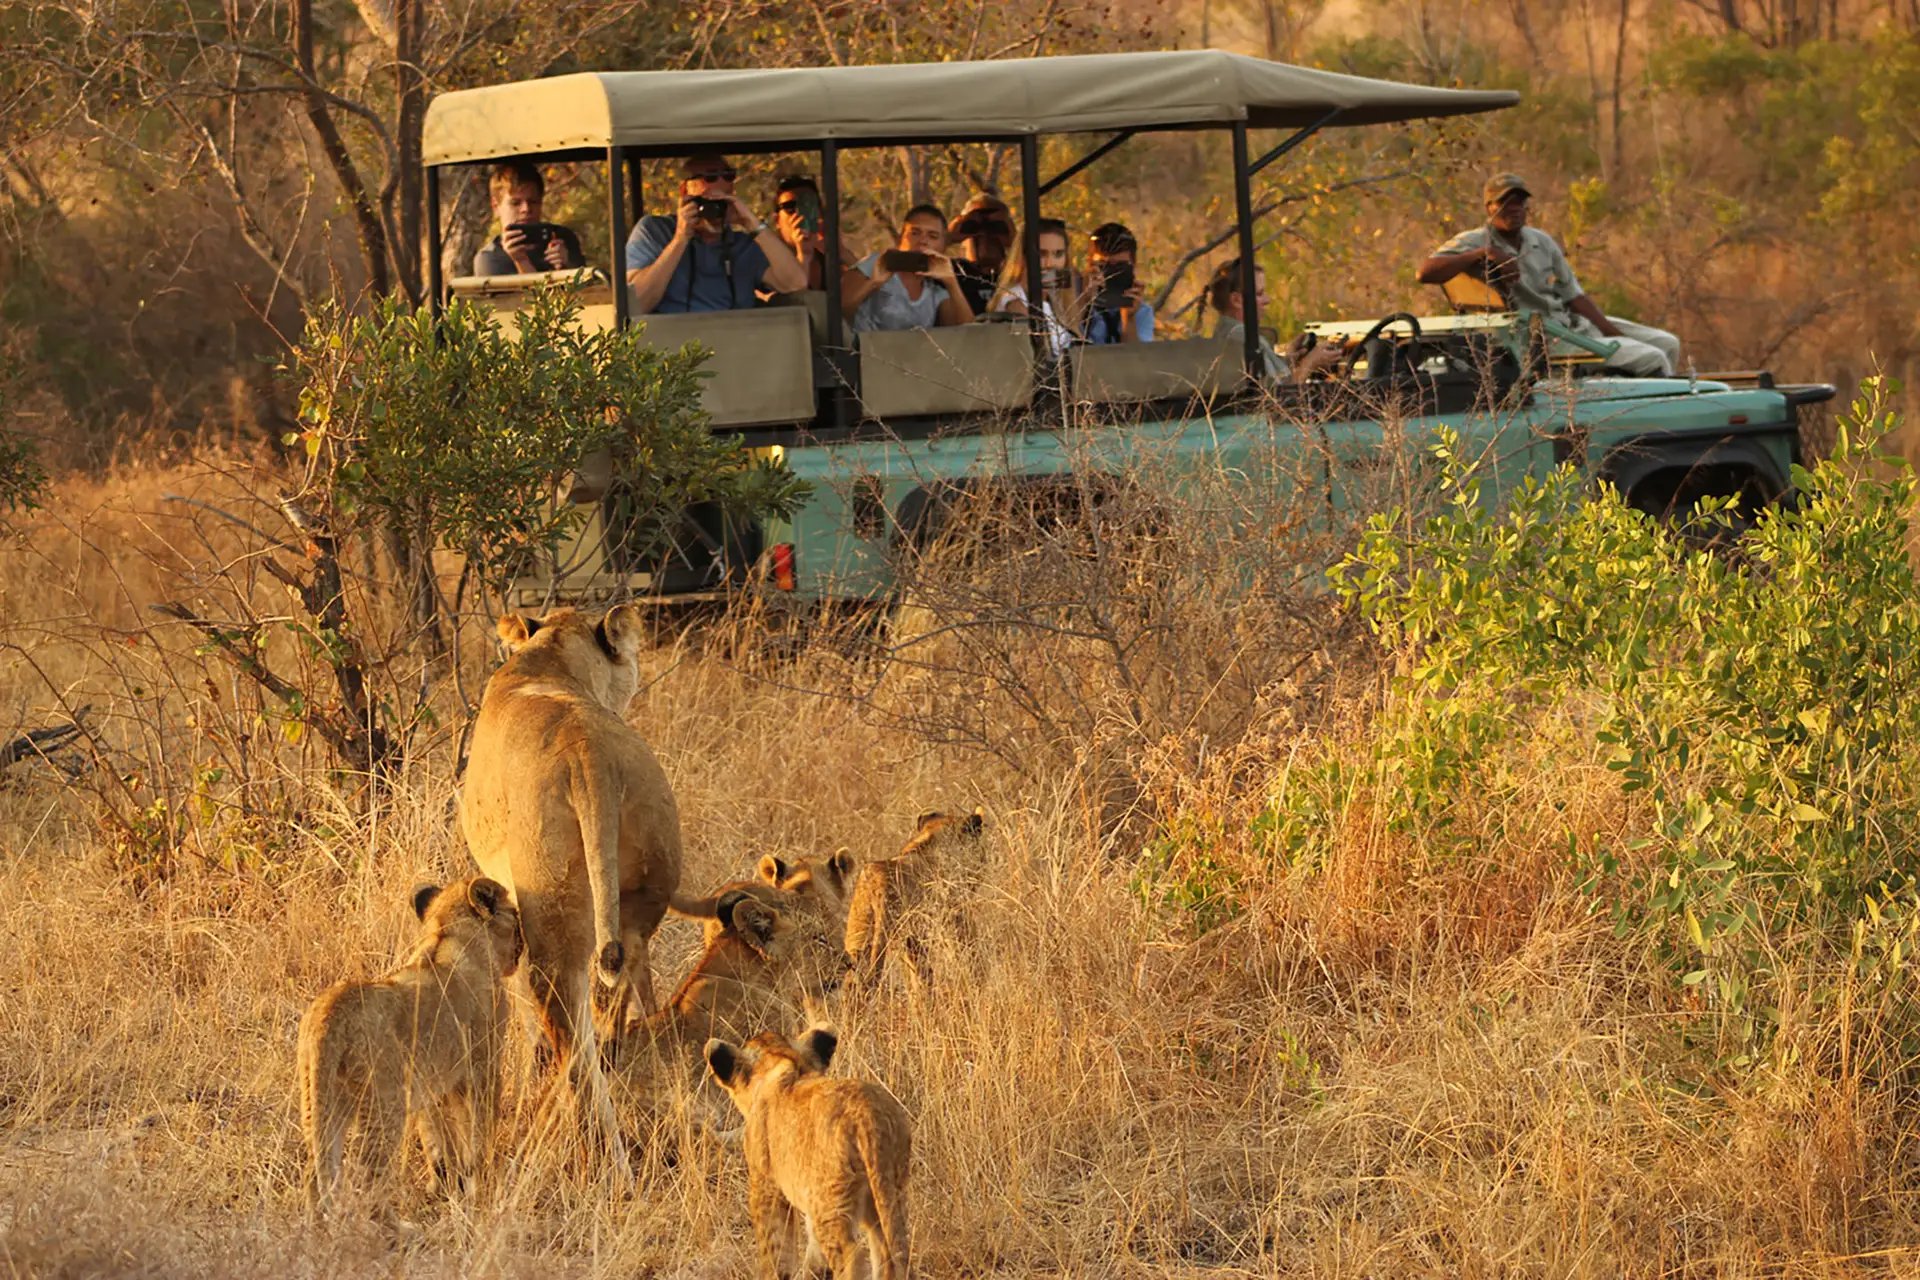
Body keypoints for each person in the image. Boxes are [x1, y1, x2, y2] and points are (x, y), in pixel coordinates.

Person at [1417, 173, 1682, 377]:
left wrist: (1610, 332)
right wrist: (1482, 253)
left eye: (1519, 201)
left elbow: (1574, 296)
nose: (1513, 208)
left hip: (1569, 323)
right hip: (1539, 337)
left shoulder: (1541, 241)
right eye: (1504, 202)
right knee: (1653, 358)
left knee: (1667, 343)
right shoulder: (1474, 240)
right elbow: (1425, 272)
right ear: (1489, 207)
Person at [625, 153, 807, 314]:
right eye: (709, 177)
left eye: (722, 202)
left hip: (738, 344)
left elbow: (795, 284)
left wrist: (752, 224)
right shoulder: (655, 231)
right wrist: (680, 240)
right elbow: (637, 304)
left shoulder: (743, 245)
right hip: (674, 346)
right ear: (685, 191)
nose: (714, 211)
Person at [1208, 257, 1345, 384]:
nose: (1267, 300)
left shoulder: (1227, 334)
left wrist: (1289, 360)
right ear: (1236, 300)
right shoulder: (1242, 338)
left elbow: (1271, 379)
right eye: (1259, 294)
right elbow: (1278, 396)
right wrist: (1310, 363)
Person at [842, 204, 975, 332]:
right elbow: (837, 312)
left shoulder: (935, 292)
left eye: (933, 236)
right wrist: (873, 283)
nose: (923, 241)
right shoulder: (878, 264)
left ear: (942, 245)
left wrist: (951, 282)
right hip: (864, 352)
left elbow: (968, 333)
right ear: (901, 238)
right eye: (915, 233)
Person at [472, 161, 584, 276]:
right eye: (515, 203)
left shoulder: (562, 238)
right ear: (496, 206)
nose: (526, 209)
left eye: (533, 202)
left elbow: (587, 290)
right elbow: (531, 294)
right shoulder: (490, 258)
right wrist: (521, 261)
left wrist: (566, 267)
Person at [992, 218, 1082, 355]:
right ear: (1023, 257)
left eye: (1058, 254)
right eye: (1042, 254)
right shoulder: (1014, 300)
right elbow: (1039, 354)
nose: (1050, 263)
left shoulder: (1056, 299)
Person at [771, 173, 860, 293]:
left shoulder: (829, 263)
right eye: (790, 207)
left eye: (808, 206)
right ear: (777, 220)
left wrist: (841, 252)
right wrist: (803, 256)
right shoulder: (769, 260)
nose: (799, 214)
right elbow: (788, 303)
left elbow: (872, 291)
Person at [1084, 222, 1155, 345]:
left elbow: (1136, 360)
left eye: (1120, 267)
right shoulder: (1072, 302)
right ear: (1089, 265)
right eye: (1103, 266)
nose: (1111, 274)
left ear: (1133, 265)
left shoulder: (1141, 311)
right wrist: (1084, 305)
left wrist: (1129, 319)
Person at [947, 194, 1017, 316]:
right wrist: (947, 238)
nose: (985, 234)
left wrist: (1017, 241)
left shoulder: (1017, 273)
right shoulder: (950, 271)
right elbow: (915, 265)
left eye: (996, 227)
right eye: (973, 227)